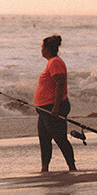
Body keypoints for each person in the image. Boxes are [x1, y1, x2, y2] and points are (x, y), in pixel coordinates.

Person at [35, 34, 77, 172]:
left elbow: (60, 84)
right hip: (44, 109)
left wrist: (56, 107)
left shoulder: (55, 62)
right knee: (44, 139)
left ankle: (72, 167)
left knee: (60, 138)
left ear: (47, 49)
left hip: (53, 107)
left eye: (42, 47)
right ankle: (44, 168)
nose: (41, 49)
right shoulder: (51, 62)